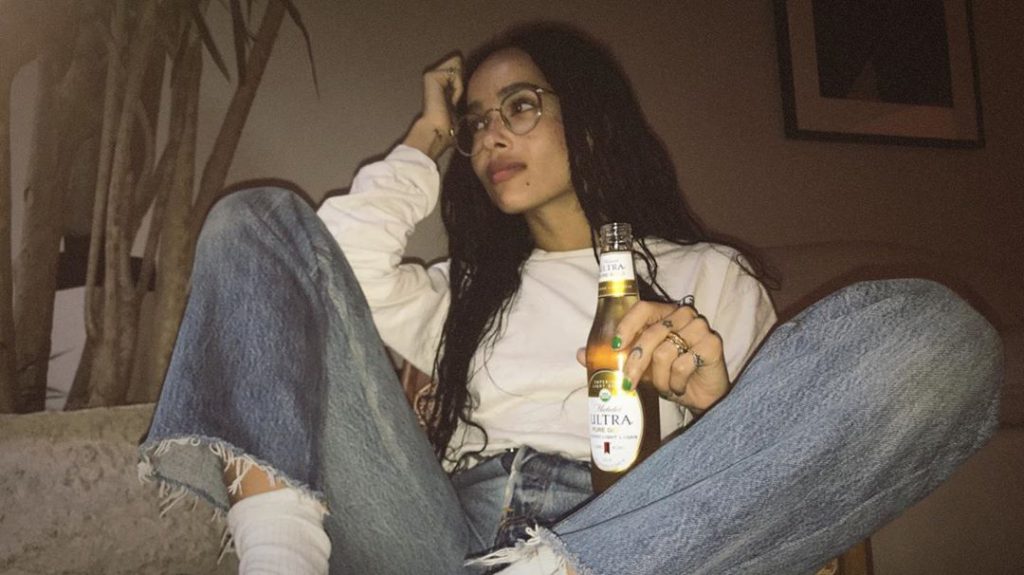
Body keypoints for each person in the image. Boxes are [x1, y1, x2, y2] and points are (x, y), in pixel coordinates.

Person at [139, 22, 1003, 575]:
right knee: (255, 217)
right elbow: (312, 264)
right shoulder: (461, 295)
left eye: (519, 106)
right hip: (438, 533)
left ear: (585, 121)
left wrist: (719, 409)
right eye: (477, 122)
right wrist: (427, 133)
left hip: (629, 535)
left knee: (939, 335)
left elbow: (801, 477)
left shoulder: (708, 277)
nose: (491, 134)